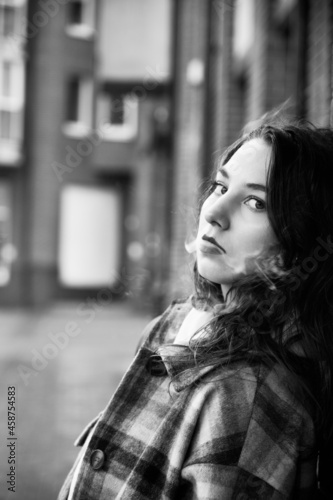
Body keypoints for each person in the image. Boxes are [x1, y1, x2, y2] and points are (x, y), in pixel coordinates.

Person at [58, 122, 333, 499]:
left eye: (256, 202)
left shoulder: (247, 397)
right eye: (220, 187)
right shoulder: (173, 323)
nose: (215, 211)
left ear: (303, 241)